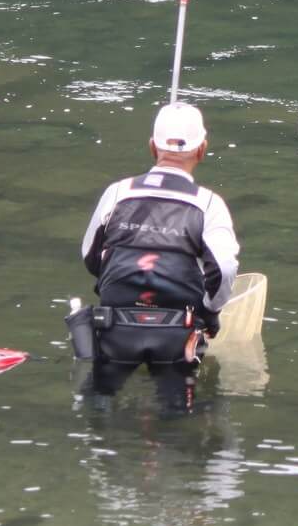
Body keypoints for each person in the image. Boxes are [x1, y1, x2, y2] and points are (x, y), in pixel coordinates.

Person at [77, 102, 240, 405]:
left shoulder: (118, 192)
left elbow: (90, 255)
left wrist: (128, 286)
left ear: (152, 146)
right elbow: (224, 270)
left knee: (97, 408)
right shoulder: (209, 204)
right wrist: (210, 312)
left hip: (115, 327)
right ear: (202, 149)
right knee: (177, 421)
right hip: (177, 333)